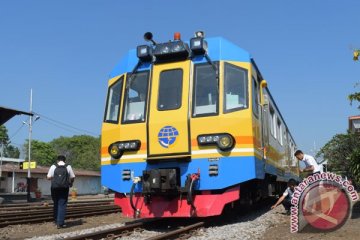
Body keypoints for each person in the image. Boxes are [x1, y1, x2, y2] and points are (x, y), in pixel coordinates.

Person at [47, 155, 75, 229]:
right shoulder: (68, 166)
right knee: (62, 204)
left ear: (57, 160)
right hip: (64, 188)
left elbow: (48, 177)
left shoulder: (53, 166)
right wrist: (71, 183)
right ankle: (60, 223)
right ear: (64, 160)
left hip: (54, 188)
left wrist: (55, 178)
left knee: (56, 203)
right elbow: (72, 177)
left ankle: (56, 221)